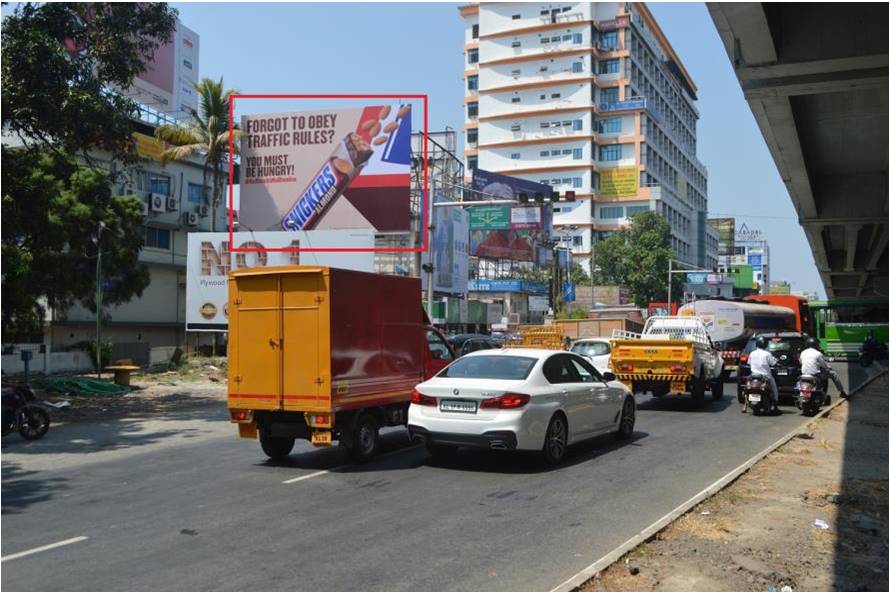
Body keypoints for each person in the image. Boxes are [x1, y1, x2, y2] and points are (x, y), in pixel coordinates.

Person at [744, 336, 779, 413]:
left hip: (753, 376)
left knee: (747, 387)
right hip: (765, 376)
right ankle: (775, 405)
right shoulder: (767, 354)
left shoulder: (752, 353)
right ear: (765, 345)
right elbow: (773, 363)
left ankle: (745, 404)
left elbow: (749, 363)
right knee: (774, 387)